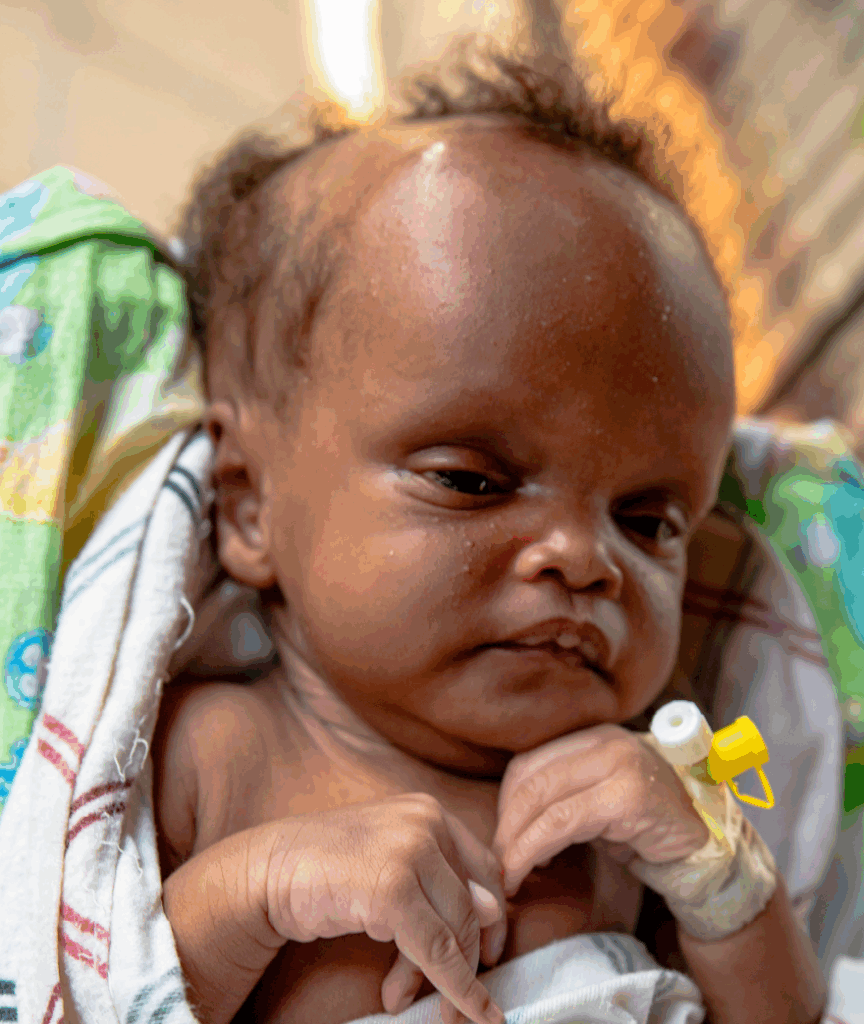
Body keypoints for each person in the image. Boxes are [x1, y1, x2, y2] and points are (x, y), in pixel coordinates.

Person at [151, 51, 827, 1024]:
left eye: (649, 520)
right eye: (469, 480)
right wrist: (251, 893)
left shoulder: (630, 806)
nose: (584, 556)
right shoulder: (215, 751)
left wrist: (715, 871)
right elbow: (77, 994)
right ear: (250, 505)